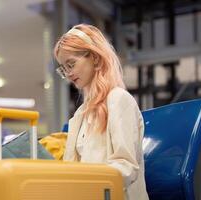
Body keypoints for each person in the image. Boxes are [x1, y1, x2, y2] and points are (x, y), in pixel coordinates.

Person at [54, 24, 149, 200]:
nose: (68, 74)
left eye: (71, 64)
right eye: (63, 68)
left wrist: (87, 186)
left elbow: (126, 167)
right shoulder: (80, 115)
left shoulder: (119, 99)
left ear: (95, 58)